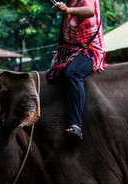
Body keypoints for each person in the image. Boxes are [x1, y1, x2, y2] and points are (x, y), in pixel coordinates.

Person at [48, 0, 106, 141]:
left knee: (73, 74)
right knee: (53, 73)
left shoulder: (80, 3)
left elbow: (89, 11)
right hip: (69, 49)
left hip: (89, 49)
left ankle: (76, 124)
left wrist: (68, 10)